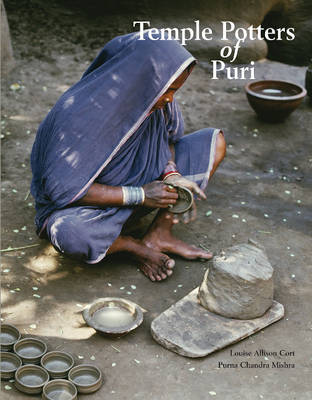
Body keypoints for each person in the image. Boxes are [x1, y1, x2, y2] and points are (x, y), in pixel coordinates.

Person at [30, 31, 226, 282]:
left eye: (174, 91)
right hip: (87, 207)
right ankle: (133, 247)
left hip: (146, 191)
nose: (169, 99)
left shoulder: (158, 103)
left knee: (215, 142)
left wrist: (172, 176)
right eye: (166, 90)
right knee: (71, 234)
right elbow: (65, 192)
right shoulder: (76, 118)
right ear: (139, 82)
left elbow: (167, 142)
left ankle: (159, 233)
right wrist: (142, 195)